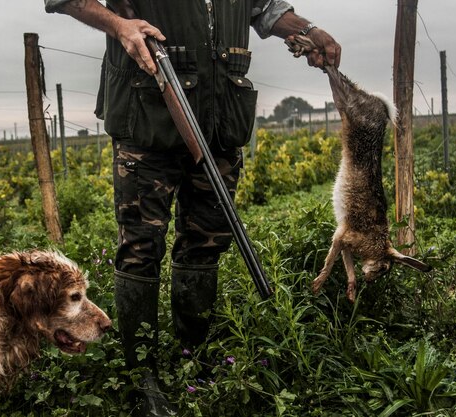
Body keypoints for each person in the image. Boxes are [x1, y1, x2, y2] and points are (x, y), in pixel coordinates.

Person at [44, 1, 341, 415]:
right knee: (141, 247)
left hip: (221, 122)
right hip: (149, 115)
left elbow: (265, 9)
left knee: (205, 244)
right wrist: (120, 26)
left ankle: (192, 362)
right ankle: (141, 379)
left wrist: (309, 29)